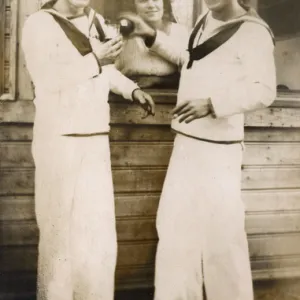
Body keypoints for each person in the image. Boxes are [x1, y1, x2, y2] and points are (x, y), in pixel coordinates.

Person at [120, 0, 276, 299]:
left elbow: (264, 88)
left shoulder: (253, 32)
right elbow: (189, 59)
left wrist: (213, 103)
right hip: (187, 143)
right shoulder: (206, 18)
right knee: (175, 235)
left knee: (222, 241)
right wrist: (150, 36)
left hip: (219, 152)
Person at [21, 1, 155, 300]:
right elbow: (47, 78)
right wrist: (96, 58)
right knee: (60, 242)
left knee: (97, 238)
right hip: (59, 142)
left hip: (95, 139)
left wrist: (131, 89)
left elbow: (104, 71)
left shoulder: (95, 22)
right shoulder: (38, 24)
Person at [115, 0, 188, 88]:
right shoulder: (122, 35)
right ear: (133, 5)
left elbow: (190, 70)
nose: (151, 5)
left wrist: (159, 81)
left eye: (156, 0)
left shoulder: (179, 32)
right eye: (143, 1)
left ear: (164, 3)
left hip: (170, 96)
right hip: (131, 95)